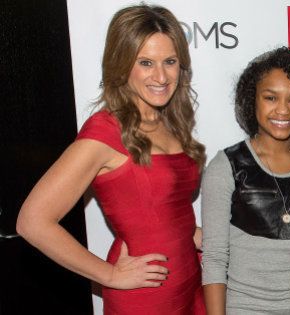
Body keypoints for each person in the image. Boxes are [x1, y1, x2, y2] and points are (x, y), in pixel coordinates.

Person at [16, 5, 206, 314]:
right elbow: (32, 222)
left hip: (190, 281)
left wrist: (193, 234)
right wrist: (110, 274)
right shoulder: (105, 131)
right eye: (145, 63)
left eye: (170, 62)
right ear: (122, 65)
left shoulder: (169, 120)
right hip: (146, 298)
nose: (161, 76)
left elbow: (164, 205)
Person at [201, 47, 290, 314]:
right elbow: (215, 259)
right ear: (253, 100)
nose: (283, 110)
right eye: (271, 97)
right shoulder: (225, 167)